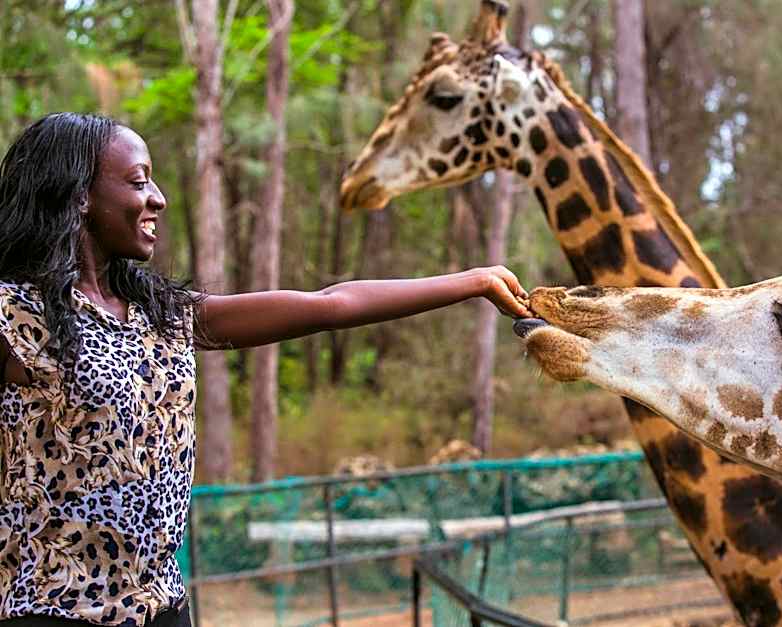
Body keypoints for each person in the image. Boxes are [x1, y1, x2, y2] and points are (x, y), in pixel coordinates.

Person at [0, 112, 530, 627]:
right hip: (52, 611)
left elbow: (331, 305)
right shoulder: (14, 314)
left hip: (162, 607)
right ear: (80, 195)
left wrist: (475, 281)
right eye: (139, 182)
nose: (158, 198)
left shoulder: (159, 315)